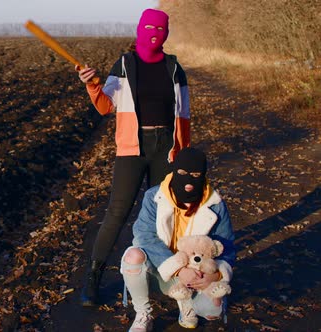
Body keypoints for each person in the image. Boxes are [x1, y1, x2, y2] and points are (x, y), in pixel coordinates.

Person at [77, 8, 191, 306]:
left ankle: (161, 274)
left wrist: (183, 153)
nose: (154, 33)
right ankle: (93, 277)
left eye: (160, 29)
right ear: (140, 29)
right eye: (149, 27)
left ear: (166, 33)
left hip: (166, 147)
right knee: (117, 212)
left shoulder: (174, 68)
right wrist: (92, 84)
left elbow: (184, 116)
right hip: (132, 146)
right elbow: (105, 106)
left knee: (165, 214)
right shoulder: (125, 64)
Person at [120, 147, 236, 331]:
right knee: (133, 256)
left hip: (196, 273)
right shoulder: (154, 197)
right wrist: (179, 269)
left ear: (204, 175)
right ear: (174, 171)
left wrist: (215, 275)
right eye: (182, 173)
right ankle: (143, 313)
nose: (189, 181)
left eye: (196, 174)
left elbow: (227, 246)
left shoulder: (215, 205)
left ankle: (187, 304)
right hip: (160, 268)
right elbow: (144, 235)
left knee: (212, 312)